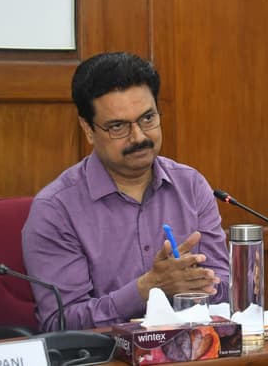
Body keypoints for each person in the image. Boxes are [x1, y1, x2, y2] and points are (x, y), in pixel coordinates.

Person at [22, 52, 229, 331]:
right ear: (88, 129)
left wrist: (198, 284)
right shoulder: (56, 209)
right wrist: (146, 290)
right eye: (118, 126)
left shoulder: (191, 187)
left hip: (193, 347)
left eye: (147, 118)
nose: (139, 137)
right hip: (104, 353)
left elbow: (224, 291)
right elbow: (62, 322)